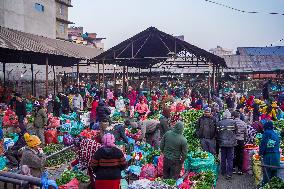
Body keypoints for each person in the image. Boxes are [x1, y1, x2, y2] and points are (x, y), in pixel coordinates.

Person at [217, 110, 237, 179]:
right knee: (230, 158)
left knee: (223, 157)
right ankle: (229, 173)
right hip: (231, 143)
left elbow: (218, 132)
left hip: (222, 142)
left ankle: (223, 171)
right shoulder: (233, 122)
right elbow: (235, 131)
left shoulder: (219, 123)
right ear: (229, 116)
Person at [259, 121, 280, 186]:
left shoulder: (266, 133)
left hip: (269, 156)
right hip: (276, 156)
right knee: (274, 175)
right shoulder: (275, 133)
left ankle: (266, 186)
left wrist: (260, 153)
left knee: (267, 173)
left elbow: (263, 144)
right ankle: (274, 186)